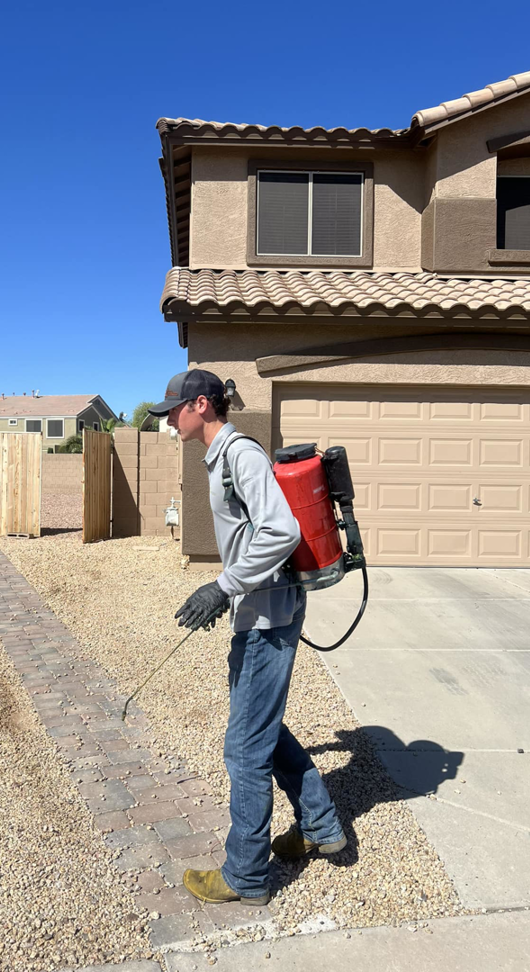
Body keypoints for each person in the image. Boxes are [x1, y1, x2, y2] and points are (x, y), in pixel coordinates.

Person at [148, 369, 346, 906]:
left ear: (203, 405)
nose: (168, 418)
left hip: (268, 617)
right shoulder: (221, 457)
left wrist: (222, 586)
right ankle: (323, 827)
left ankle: (247, 875)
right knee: (261, 728)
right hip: (256, 610)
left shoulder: (240, 455)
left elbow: (281, 532)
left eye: (174, 409)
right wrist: (228, 594)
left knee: (244, 749)